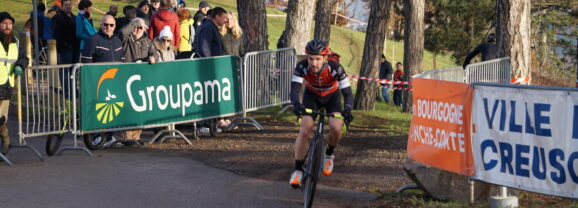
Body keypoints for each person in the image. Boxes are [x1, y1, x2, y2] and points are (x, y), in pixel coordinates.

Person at [288, 40, 354, 188]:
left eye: (318, 59)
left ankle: (329, 153)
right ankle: (298, 170)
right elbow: (294, 91)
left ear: (325, 58)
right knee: (305, 129)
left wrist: (348, 109)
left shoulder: (335, 68)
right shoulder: (302, 67)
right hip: (312, 97)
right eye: (310, 58)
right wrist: (297, 105)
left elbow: (348, 94)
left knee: (336, 127)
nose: (313, 63)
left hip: (332, 97)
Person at [121, 18, 157, 143]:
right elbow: (123, 32)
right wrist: (136, 23)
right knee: (129, 107)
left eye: (140, 28)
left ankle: (136, 137)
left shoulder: (147, 41)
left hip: (142, 79)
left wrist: (154, 58)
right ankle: (127, 137)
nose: (137, 30)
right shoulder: (126, 39)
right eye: (135, 27)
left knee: (141, 107)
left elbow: (155, 52)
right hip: (127, 78)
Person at [0, 12, 28, 154]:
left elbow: (24, 57)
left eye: (10, 23)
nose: (7, 26)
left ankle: (5, 144)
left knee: (1, 118)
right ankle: (5, 142)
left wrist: (20, 66)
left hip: (7, 85)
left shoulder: (15, 41)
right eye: (4, 23)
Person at [52, 0, 80, 98]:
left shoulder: (75, 18)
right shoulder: (57, 18)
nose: (68, 6)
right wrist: (65, 44)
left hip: (75, 47)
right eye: (66, 5)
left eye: (69, 4)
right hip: (65, 48)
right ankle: (67, 91)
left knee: (74, 69)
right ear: (62, 6)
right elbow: (56, 33)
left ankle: (73, 89)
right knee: (65, 70)